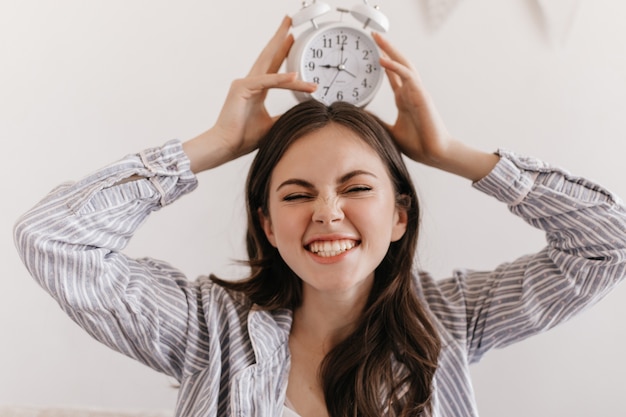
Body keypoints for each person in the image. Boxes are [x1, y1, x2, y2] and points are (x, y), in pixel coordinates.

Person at [13, 15, 626, 417]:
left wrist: (452, 154)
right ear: (267, 224)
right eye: (297, 194)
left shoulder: (454, 321)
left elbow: (607, 244)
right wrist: (216, 143)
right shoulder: (208, 329)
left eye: (357, 187)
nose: (327, 214)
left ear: (399, 217)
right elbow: (52, 239)